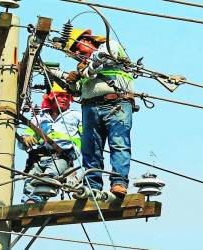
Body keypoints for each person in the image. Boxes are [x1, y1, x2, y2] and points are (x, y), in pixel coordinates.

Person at [64, 28, 135, 197]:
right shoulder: (83, 64)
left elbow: (99, 61)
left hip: (116, 103)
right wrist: (72, 82)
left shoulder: (110, 46)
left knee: (118, 143)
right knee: (91, 149)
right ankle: (92, 186)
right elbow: (77, 91)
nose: (75, 53)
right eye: (72, 52)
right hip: (90, 107)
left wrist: (83, 70)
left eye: (76, 48)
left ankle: (119, 183)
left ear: (87, 40)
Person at [20, 83, 82, 204]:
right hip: (39, 157)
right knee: (30, 181)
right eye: (60, 96)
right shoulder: (39, 118)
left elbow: (89, 136)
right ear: (51, 98)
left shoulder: (76, 116)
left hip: (62, 156)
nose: (64, 99)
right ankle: (28, 203)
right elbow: (27, 137)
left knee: (48, 179)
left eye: (67, 97)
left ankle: (37, 201)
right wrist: (25, 139)